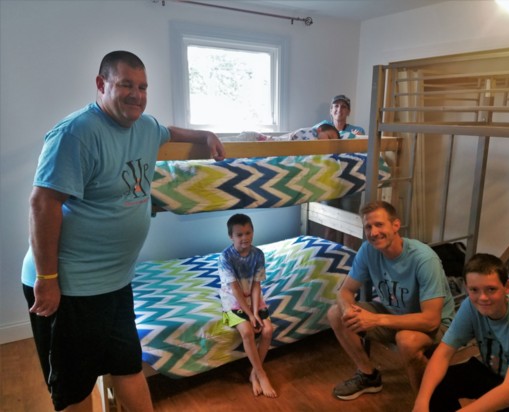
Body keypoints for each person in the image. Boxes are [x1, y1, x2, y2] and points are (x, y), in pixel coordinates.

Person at [20, 50, 225, 412]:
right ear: (101, 85)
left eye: (143, 87)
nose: (137, 94)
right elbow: (42, 204)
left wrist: (205, 134)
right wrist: (47, 278)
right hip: (70, 286)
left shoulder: (144, 126)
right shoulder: (77, 133)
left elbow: (170, 131)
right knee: (75, 386)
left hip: (116, 282)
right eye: (126, 84)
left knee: (127, 364)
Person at [327, 201, 455, 401]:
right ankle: (368, 376)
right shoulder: (368, 250)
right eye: (368, 227)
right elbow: (345, 291)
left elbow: (431, 320)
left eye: (379, 224)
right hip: (393, 315)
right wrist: (347, 310)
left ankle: (426, 403)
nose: (373, 232)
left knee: (406, 340)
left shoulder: (423, 259)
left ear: (396, 225)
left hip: (436, 326)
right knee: (335, 313)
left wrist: (376, 320)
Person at [413, 253, 509, 412]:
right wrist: (421, 401)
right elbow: (442, 353)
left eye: (491, 289)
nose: (482, 297)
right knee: (436, 384)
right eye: (474, 290)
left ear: (507, 286)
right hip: (493, 372)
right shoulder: (470, 306)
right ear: (466, 287)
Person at [218, 213, 277, 398]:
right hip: (233, 300)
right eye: (239, 235)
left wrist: (255, 311)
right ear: (231, 237)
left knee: (268, 330)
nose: (245, 238)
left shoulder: (258, 254)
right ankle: (261, 373)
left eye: (248, 232)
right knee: (247, 331)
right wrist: (251, 316)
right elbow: (235, 289)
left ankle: (253, 372)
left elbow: (256, 285)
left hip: (253, 298)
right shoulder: (225, 257)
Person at [314, 95, 366, 249]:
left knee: (350, 225)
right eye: (336, 106)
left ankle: (348, 261)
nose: (339, 110)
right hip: (329, 180)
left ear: (348, 111)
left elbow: (361, 155)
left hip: (351, 181)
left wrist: (357, 140)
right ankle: (331, 258)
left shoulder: (357, 131)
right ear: (331, 110)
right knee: (329, 224)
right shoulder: (322, 129)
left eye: (343, 107)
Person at [235, 123, 339, 141]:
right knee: (224, 145)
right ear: (319, 130)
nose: (329, 142)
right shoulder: (310, 133)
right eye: (329, 137)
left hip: (260, 143)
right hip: (256, 138)